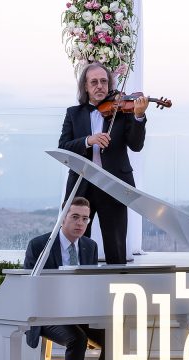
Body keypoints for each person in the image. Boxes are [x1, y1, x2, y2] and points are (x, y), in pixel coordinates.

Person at [59, 62, 149, 264]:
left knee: (116, 244)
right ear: (85, 86)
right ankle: (79, 280)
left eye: (103, 81)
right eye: (94, 82)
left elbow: (136, 145)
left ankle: (117, 279)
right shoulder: (73, 114)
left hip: (113, 184)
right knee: (77, 242)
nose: (100, 86)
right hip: (82, 185)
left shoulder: (123, 112)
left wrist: (139, 116)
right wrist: (88, 140)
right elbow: (63, 147)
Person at [23, 197, 103, 360]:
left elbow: (90, 287)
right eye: (75, 217)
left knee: (116, 342)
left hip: (80, 315)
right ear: (62, 218)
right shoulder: (39, 245)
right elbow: (30, 290)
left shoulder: (90, 246)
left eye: (85, 219)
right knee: (77, 339)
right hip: (47, 314)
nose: (80, 223)